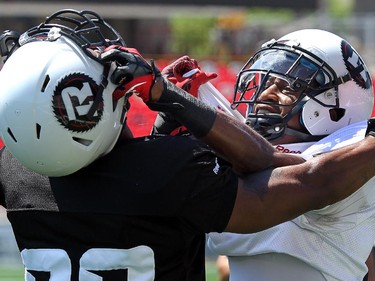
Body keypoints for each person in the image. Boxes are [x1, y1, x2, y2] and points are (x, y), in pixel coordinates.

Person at [1, 10, 375, 281]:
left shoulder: (13, 171)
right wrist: (169, 97)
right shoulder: (172, 170)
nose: (266, 94)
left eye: (288, 86)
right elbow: (291, 173)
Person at [189, 29, 375, 281]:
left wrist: (178, 104)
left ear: (337, 109)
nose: (265, 95)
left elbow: (298, 174)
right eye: (265, 83)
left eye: (291, 86)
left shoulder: (347, 165)